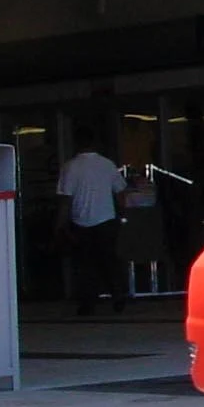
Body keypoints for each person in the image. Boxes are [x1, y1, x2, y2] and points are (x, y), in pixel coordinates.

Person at [56, 126, 128, 315]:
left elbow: (66, 199)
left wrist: (61, 224)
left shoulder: (70, 167)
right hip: (106, 219)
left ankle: (88, 302)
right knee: (109, 260)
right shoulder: (107, 164)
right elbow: (120, 193)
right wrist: (121, 216)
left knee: (85, 265)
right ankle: (118, 297)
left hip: (81, 222)